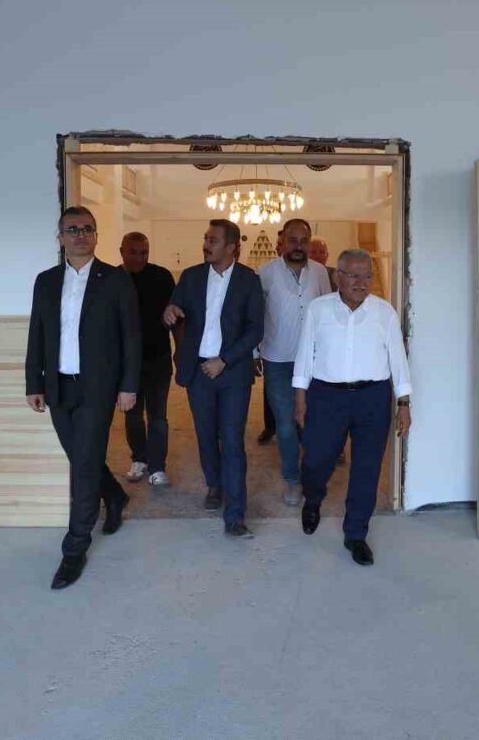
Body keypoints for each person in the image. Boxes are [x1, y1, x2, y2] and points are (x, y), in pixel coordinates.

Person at [25, 206, 141, 590]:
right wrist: (33, 382)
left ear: (96, 235)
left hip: (98, 388)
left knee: (84, 467)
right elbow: (37, 333)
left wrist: (128, 386)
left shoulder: (116, 280)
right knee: (81, 457)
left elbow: (131, 337)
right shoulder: (46, 281)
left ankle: (74, 548)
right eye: (72, 229)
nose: (80, 235)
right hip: (58, 387)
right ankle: (115, 497)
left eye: (87, 229)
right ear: (60, 237)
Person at [293, 249, 411, 566]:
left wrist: (403, 401)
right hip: (326, 396)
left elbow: (398, 359)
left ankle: (355, 534)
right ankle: (313, 498)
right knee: (316, 459)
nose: (362, 282)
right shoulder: (318, 309)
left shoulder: (384, 313)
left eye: (367, 276)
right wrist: (300, 397)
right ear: (338, 277)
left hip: (372, 398)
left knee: (367, 469)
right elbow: (304, 354)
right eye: (354, 275)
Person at [163, 219, 264, 538]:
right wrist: (169, 312)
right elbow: (174, 312)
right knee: (206, 435)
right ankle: (214, 485)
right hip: (198, 372)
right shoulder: (190, 276)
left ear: (232, 247)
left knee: (232, 441)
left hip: (232, 372)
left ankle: (235, 515)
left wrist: (225, 360)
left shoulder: (249, 280)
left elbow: (255, 330)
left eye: (214, 240)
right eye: (206, 239)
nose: (206, 245)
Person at [258, 218, 331, 505]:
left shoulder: (320, 272)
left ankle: (313, 476)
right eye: (293, 240)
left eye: (304, 241)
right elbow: (255, 316)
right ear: (282, 242)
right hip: (278, 360)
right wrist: (254, 353)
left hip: (314, 361)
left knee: (314, 422)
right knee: (286, 425)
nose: (298, 246)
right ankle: (292, 479)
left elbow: (328, 312)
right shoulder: (266, 273)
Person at [118, 232, 177, 486]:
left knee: (158, 416)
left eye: (144, 253)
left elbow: (176, 317)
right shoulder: (112, 279)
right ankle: (139, 459)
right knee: (132, 415)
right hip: (125, 364)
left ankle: (157, 467)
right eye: (133, 252)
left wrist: (179, 350)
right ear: (122, 252)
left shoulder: (162, 277)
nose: (139, 258)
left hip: (158, 359)